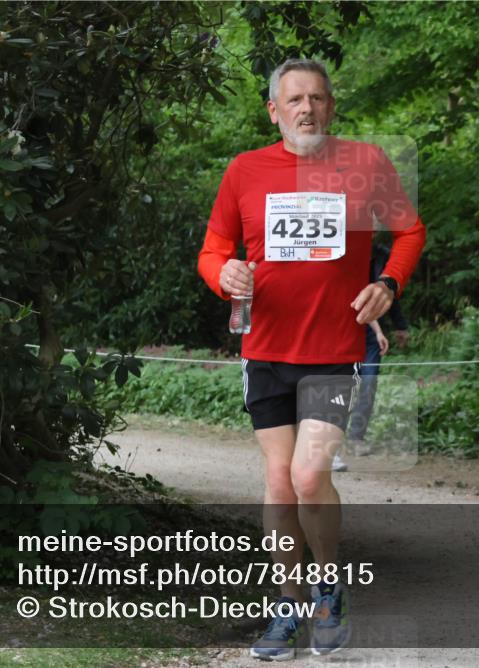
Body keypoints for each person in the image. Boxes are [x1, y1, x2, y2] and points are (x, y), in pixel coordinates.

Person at [196, 58, 425, 658]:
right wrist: (224, 273)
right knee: (277, 481)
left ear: (331, 105)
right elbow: (214, 247)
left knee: (307, 475)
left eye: (317, 98)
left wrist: (390, 285)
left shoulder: (365, 163)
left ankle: (328, 589)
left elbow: (409, 231)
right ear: (274, 110)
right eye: (294, 99)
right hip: (265, 346)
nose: (307, 109)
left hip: (332, 348)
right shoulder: (245, 170)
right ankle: (287, 605)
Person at [333, 243, 409, 472]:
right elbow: (349, 294)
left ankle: (355, 437)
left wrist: (389, 328)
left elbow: (386, 295)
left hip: (367, 325)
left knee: (368, 382)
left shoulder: (384, 256)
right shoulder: (339, 248)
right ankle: (328, 444)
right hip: (343, 327)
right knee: (340, 385)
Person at [332, 313, 392, 472]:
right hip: (340, 339)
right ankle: (331, 449)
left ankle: (354, 439)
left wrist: (378, 332)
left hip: (366, 341)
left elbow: (364, 304)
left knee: (368, 383)